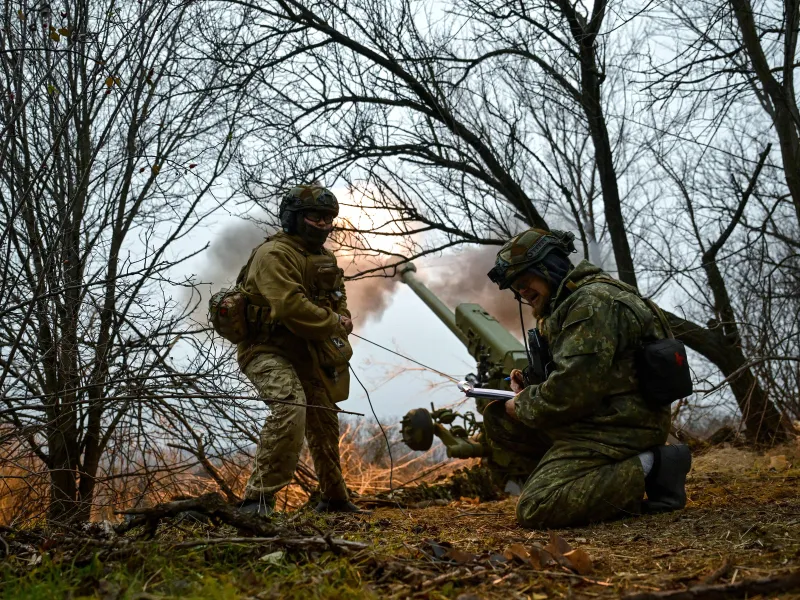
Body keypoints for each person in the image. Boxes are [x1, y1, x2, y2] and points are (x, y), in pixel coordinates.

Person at [487, 228, 692, 528]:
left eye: (524, 281)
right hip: (603, 415)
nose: (522, 292)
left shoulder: (592, 304)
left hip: (621, 425)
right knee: (500, 420)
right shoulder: (573, 303)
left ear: (548, 267)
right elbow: (583, 375)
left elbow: (572, 390)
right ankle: (574, 477)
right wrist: (529, 387)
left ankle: (653, 465)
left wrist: (523, 403)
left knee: (535, 507)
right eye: (516, 287)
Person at [236, 185, 367, 516]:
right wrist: (336, 322)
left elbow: (338, 296)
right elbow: (291, 307)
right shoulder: (273, 255)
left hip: (309, 350)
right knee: (290, 407)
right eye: (315, 217)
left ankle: (334, 499)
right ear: (293, 218)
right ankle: (257, 502)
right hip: (266, 349)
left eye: (328, 218)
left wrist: (343, 316)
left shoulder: (325, 258)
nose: (323, 224)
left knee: (324, 419)